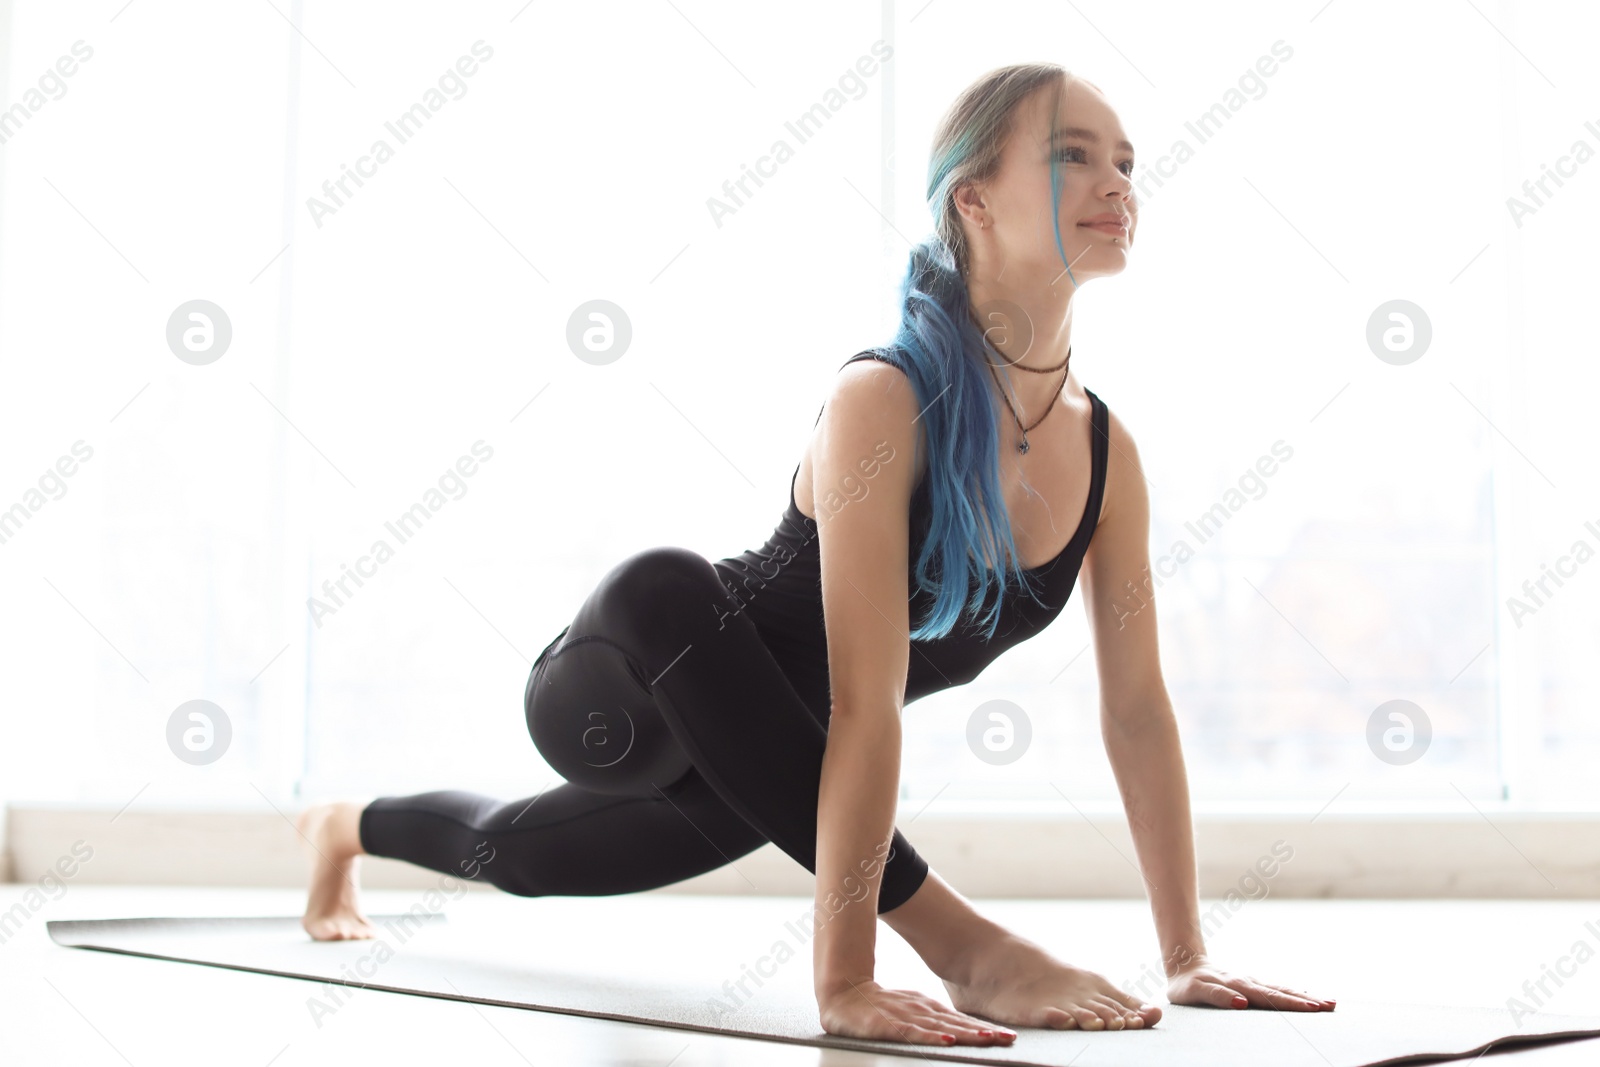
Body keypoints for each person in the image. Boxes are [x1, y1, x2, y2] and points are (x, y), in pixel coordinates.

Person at [294, 63, 1335, 1048]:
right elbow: (864, 700)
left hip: (773, 767)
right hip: (621, 688)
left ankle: (341, 828)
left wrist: (1187, 954)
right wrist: (847, 979)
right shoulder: (882, 397)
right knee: (672, 582)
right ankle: (970, 941)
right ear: (971, 199)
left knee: (513, 856)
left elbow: (1137, 709)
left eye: (1127, 162)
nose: (1116, 181)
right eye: (1074, 154)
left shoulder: (1109, 454)